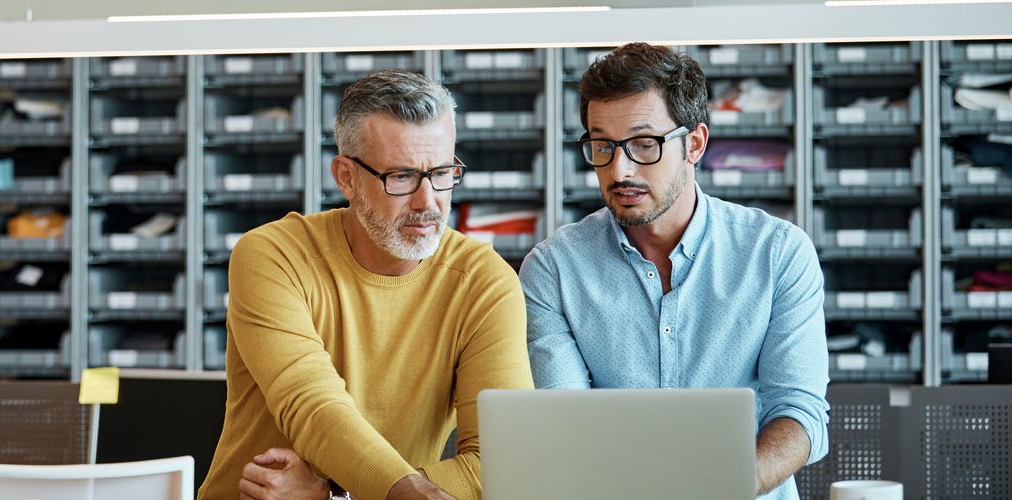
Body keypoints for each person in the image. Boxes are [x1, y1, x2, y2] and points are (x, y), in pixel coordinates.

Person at [198, 69, 533, 500]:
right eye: (401, 177)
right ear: (346, 177)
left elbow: (500, 462)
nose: (427, 202)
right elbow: (314, 406)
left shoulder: (484, 284)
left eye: (442, 173)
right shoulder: (272, 256)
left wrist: (336, 496)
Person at [521, 42, 830, 499]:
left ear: (695, 144)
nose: (619, 169)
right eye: (602, 145)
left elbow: (799, 412)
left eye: (644, 145)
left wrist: (724, 487)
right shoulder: (554, 270)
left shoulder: (777, 253)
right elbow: (567, 424)